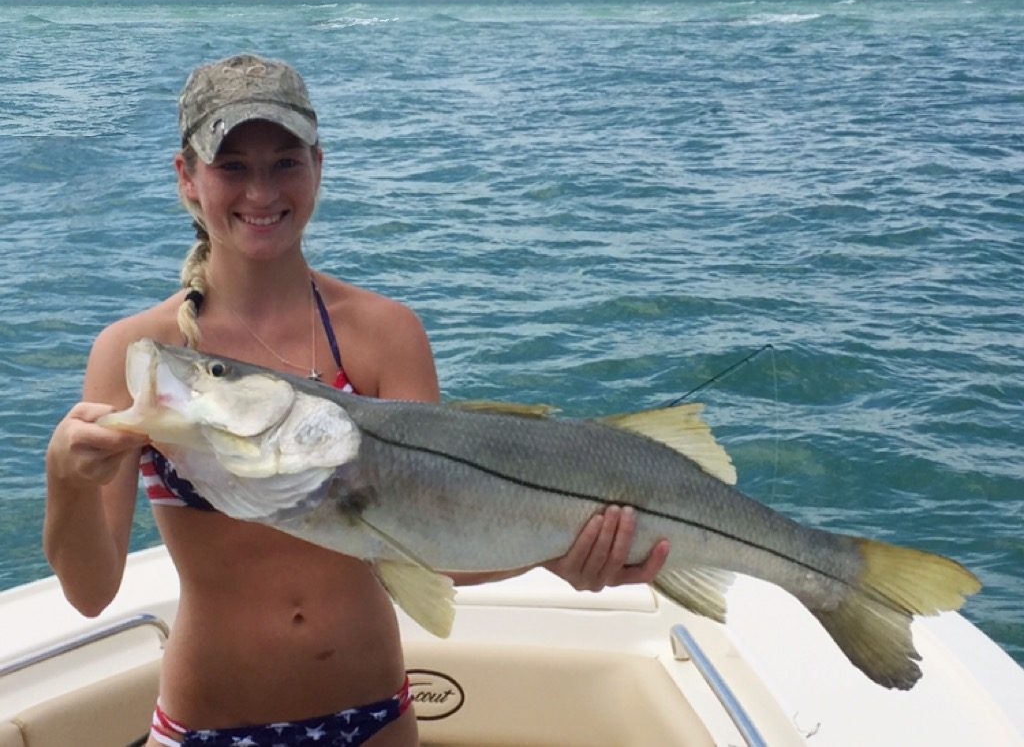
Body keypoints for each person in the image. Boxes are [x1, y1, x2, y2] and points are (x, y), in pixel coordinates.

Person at [43, 53, 670, 747]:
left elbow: (436, 541)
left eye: (285, 162)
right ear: (187, 177)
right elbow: (91, 591)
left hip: (372, 719)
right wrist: (66, 479)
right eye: (232, 166)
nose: (261, 191)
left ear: (318, 165)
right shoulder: (147, 357)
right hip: (206, 727)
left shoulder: (383, 334)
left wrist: (558, 550)